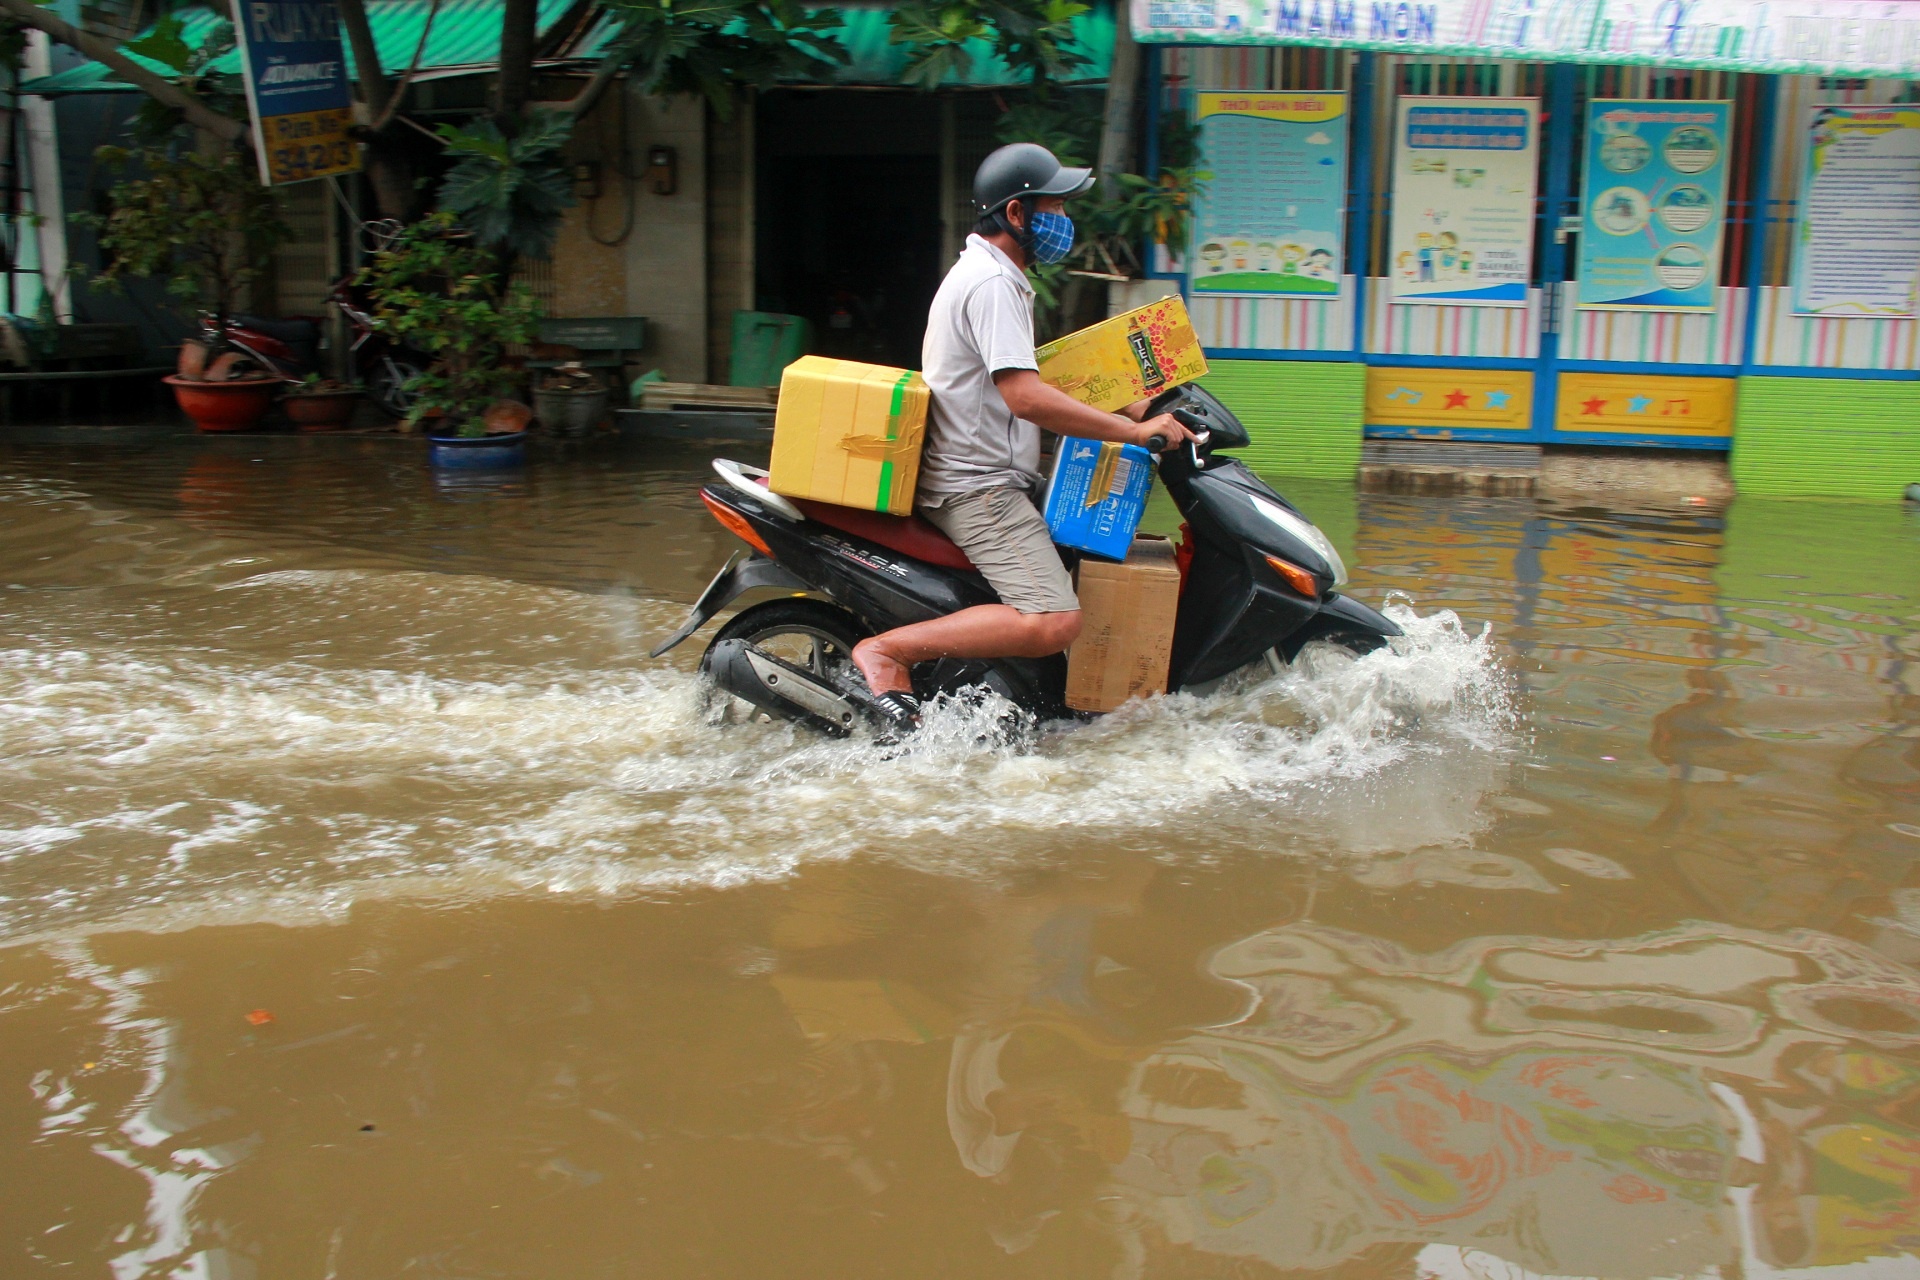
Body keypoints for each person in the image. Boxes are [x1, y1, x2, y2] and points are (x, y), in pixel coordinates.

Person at [848, 142, 1193, 723]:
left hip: (991, 476)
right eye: (1055, 208)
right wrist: (1133, 433)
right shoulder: (992, 284)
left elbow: (1035, 376)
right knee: (1055, 620)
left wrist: (1135, 404)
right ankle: (887, 652)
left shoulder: (995, 276)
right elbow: (1025, 397)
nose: (1064, 221)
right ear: (1016, 213)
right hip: (978, 488)